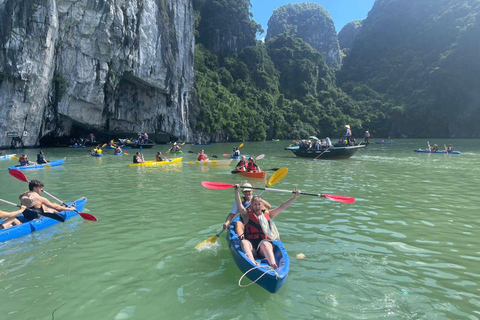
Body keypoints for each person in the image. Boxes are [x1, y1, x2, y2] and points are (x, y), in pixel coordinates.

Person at [233, 184, 301, 268]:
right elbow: (239, 205)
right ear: (251, 205)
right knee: (244, 242)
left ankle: (273, 264)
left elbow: (282, 206)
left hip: (263, 248)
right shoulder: (246, 215)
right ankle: (252, 262)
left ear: (262, 206)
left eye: (259, 204)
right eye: (255, 204)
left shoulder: (268, 214)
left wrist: (295, 196)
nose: (257, 206)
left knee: (265, 243)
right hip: (252, 247)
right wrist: (236, 191)